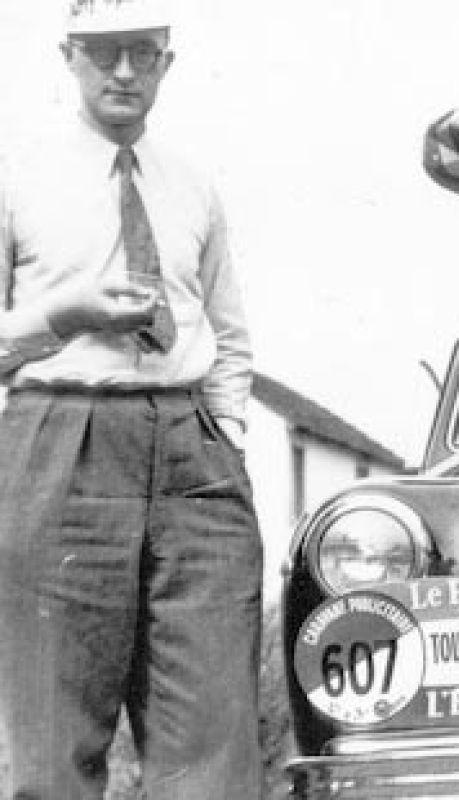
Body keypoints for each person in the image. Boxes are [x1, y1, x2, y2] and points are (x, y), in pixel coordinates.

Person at [0, 1, 264, 797]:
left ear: (166, 63)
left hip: (193, 452)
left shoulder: (192, 186)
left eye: (141, 54)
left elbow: (229, 333)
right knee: (54, 744)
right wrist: (59, 315)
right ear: (69, 56)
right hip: (60, 441)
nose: (123, 72)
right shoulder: (21, 176)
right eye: (105, 52)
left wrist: (225, 433)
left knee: (213, 747)